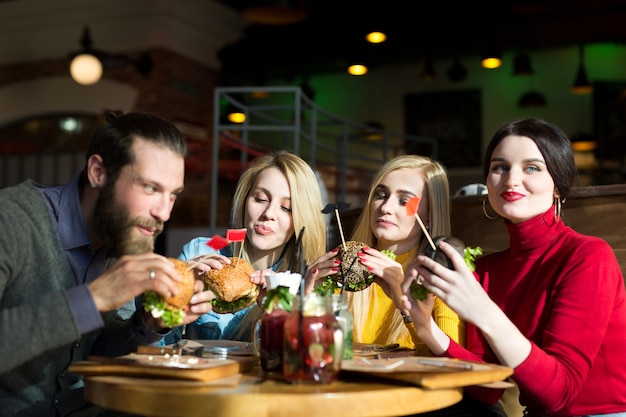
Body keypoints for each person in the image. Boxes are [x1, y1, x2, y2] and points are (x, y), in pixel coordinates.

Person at [396, 118, 626, 416]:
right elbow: (487, 389)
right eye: (499, 167)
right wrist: (426, 328)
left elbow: (560, 393)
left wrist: (483, 310)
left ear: (558, 185)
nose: (510, 180)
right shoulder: (486, 268)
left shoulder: (588, 256)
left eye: (531, 167)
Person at [0, 109, 214, 416]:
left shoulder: (126, 242)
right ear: (98, 172)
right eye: (151, 188)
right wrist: (94, 298)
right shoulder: (11, 219)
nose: (164, 213)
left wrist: (149, 323)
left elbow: (97, 354)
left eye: (173, 195)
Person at [165, 149, 327, 343]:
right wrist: (174, 293)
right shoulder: (201, 251)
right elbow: (158, 347)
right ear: (245, 200)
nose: (269, 213)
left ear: (303, 218)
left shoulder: (306, 283)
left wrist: (288, 317)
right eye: (260, 199)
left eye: (286, 208)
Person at [308, 155, 464, 353]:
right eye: (381, 195)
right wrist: (307, 300)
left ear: (430, 216)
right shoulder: (344, 266)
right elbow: (316, 350)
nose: (385, 208)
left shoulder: (441, 275)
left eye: (404, 201)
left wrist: (407, 306)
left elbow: (453, 362)